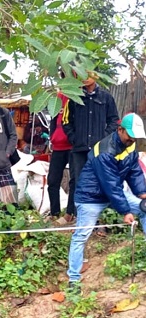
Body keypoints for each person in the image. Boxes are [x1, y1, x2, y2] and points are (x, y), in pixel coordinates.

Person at [67, 113, 146, 293]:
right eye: (130, 135)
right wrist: (125, 211)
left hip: (113, 193)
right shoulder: (104, 151)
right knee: (82, 235)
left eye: (135, 136)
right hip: (90, 197)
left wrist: (143, 194)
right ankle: (73, 279)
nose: (133, 139)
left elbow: (134, 172)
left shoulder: (130, 147)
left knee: (144, 209)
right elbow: (110, 185)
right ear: (120, 130)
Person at [62, 71, 119, 226]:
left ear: (96, 76)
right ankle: (76, 216)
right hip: (79, 149)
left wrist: (104, 138)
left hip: (99, 150)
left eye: (88, 73)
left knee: (101, 181)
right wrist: (74, 138)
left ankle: (100, 221)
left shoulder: (106, 97)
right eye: (82, 73)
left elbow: (114, 121)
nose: (85, 77)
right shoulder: (74, 97)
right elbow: (66, 121)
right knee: (78, 181)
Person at [47, 91, 75, 224]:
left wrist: (74, 139)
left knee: (74, 181)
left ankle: (70, 214)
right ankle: (54, 212)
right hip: (58, 146)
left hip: (72, 146)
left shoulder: (76, 94)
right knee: (52, 180)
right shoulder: (58, 96)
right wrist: (52, 136)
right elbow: (53, 118)